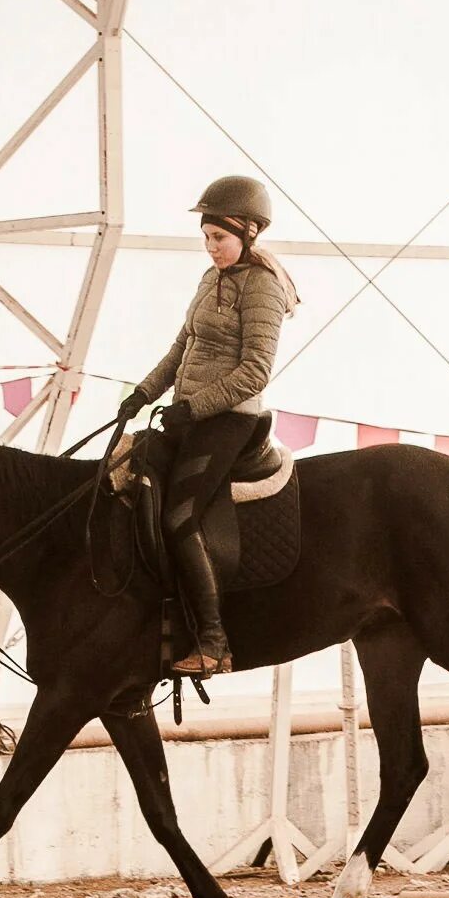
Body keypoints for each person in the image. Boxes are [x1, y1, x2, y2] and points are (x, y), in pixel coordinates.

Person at [117, 176, 300, 676]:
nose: (211, 247)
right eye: (206, 238)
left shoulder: (263, 287)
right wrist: (142, 393)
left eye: (219, 238)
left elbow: (255, 371)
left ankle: (215, 641)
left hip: (228, 422)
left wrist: (194, 408)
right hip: (188, 414)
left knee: (180, 516)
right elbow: (182, 349)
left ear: (249, 232)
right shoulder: (209, 279)